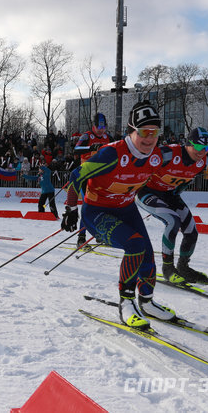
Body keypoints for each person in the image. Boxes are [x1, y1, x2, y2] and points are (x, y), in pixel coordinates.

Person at [61, 101, 173, 329]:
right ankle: (127, 303)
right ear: (131, 132)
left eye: (155, 132)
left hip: (126, 209)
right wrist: (71, 210)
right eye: (144, 132)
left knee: (148, 256)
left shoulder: (159, 155)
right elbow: (75, 176)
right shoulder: (111, 154)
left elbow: (185, 161)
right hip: (97, 211)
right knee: (135, 245)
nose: (149, 138)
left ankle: (147, 302)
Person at [135, 127, 208, 284]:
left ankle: (183, 267)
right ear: (187, 144)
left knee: (191, 231)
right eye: (198, 146)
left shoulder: (203, 162)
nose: (202, 152)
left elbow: (186, 178)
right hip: (146, 191)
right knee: (172, 220)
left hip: (169, 194)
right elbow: (138, 163)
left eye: (206, 148)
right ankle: (167, 268)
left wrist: (180, 188)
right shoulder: (168, 154)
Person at [73, 113, 113, 247]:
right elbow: (76, 149)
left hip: (101, 177)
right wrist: (91, 148)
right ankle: (81, 237)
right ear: (93, 126)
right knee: (87, 205)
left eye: (103, 127)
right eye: (98, 127)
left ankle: (99, 234)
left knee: (104, 205)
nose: (101, 130)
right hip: (86, 176)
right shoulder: (87, 136)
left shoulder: (108, 137)